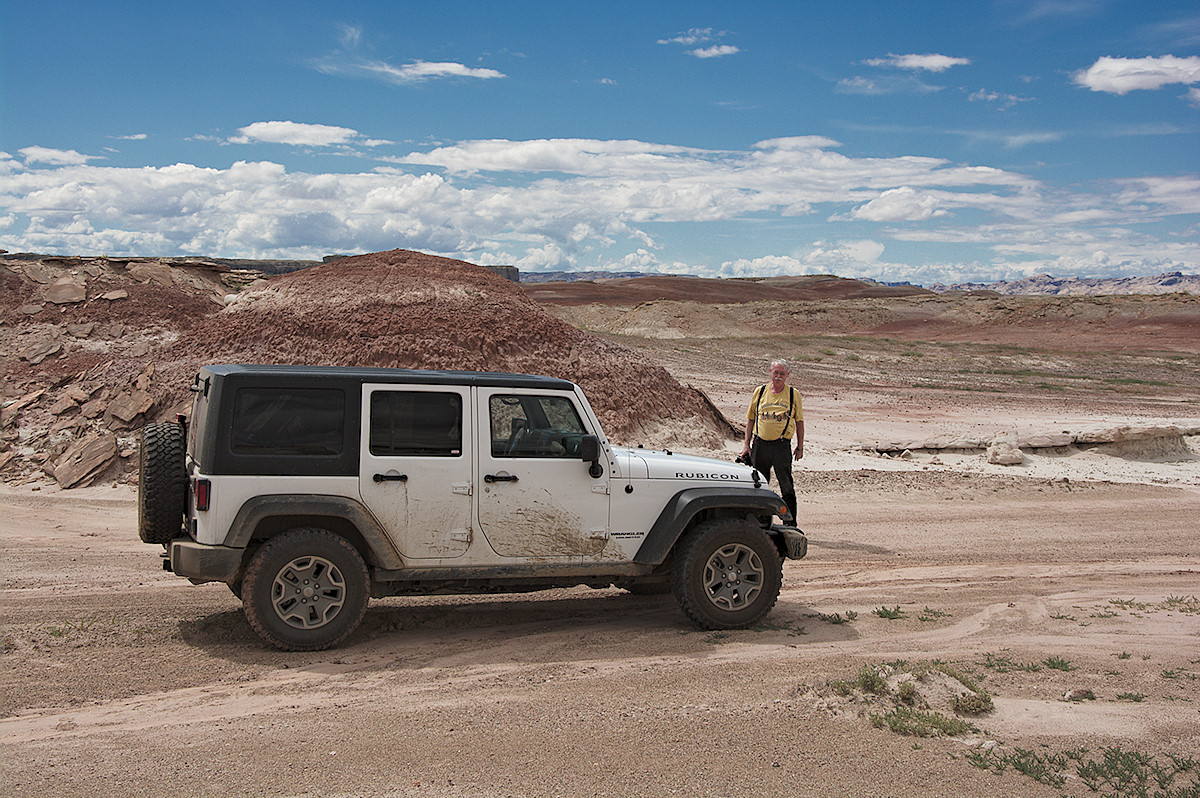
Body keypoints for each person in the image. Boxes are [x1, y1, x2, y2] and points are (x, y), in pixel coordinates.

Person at [740, 358, 803, 521]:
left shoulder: (792, 394)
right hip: (760, 444)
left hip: (781, 446)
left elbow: (799, 421)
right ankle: (761, 520)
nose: (778, 376)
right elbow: (751, 419)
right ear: (770, 372)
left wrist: (800, 446)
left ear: (787, 375)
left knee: (786, 484)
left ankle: (790, 521)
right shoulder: (760, 392)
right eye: (776, 372)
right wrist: (746, 445)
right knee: (760, 483)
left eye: (782, 373)